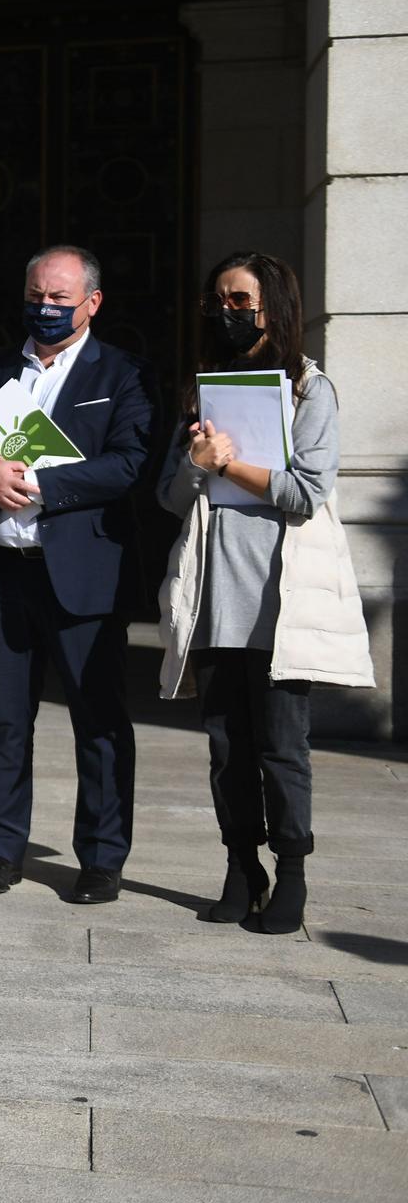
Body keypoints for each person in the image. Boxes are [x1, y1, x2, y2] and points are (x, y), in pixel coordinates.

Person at [156, 251, 372, 934]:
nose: (228, 313)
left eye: (240, 300)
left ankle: (294, 872)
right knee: (227, 747)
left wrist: (232, 464)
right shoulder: (200, 392)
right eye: (218, 300)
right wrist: (196, 463)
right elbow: (168, 494)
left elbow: (307, 492)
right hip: (215, 599)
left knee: (283, 746)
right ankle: (240, 864)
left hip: (281, 603)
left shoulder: (312, 389)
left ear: (272, 307)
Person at [0, 245, 155, 903]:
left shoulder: (122, 372)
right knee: (2, 720)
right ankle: (0, 849)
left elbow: (130, 462)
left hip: (83, 572)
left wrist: (42, 481)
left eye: (61, 298)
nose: (46, 308)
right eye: (37, 295)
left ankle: (101, 856)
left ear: (92, 302)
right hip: (3, 569)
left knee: (99, 719)